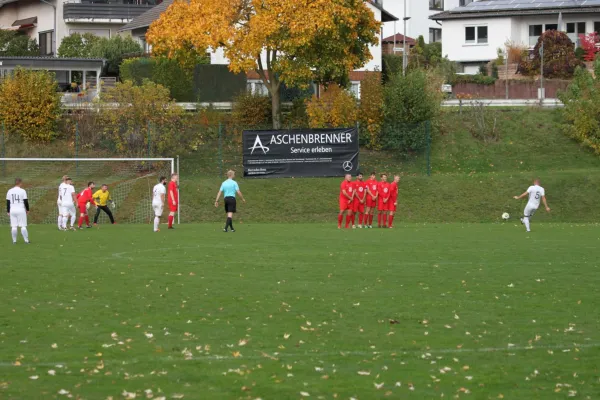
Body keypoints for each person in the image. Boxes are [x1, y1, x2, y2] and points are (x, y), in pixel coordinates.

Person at [6, 178, 30, 244]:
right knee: (23, 226)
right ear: (20, 183)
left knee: (14, 226)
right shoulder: (22, 191)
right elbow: (25, 201)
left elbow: (8, 202)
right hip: (20, 209)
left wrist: (8, 211)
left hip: (12, 210)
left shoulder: (9, 191)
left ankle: (14, 241)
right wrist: (27, 209)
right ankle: (26, 240)